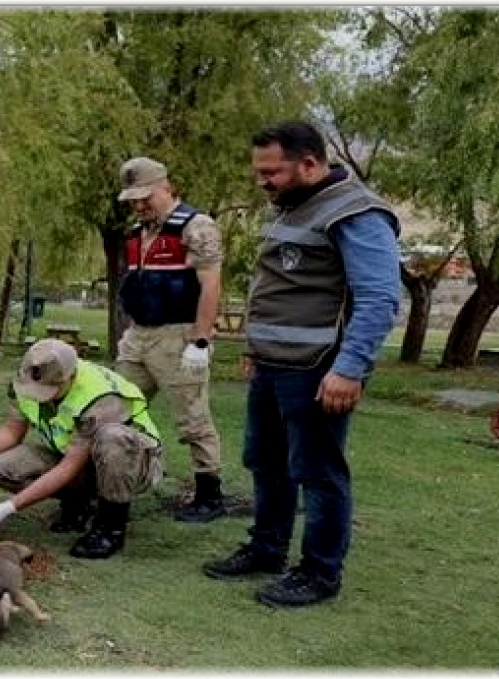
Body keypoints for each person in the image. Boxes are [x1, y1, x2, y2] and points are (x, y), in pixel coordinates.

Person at [202, 121, 401, 608]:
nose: (262, 181)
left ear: (310, 163)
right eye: (258, 172)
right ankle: (267, 549)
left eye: (272, 171)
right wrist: (255, 346)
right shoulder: (292, 207)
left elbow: (379, 298)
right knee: (266, 462)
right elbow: (278, 288)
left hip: (318, 369)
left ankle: (319, 573)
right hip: (274, 365)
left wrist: (350, 367)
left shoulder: (356, 213)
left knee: (318, 473)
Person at [0, 339, 163, 559]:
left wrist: (9, 507)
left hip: (135, 464)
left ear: (70, 376)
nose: (39, 395)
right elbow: (12, 430)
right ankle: (81, 504)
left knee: (112, 438)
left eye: (48, 389)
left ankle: (110, 527)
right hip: (78, 458)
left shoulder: (100, 396)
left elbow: (70, 466)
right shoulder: (25, 378)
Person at [114, 156, 226, 525]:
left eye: (146, 196)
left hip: (178, 334)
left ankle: (209, 493)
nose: (140, 204)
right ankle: (114, 484)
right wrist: (131, 331)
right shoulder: (137, 233)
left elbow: (211, 285)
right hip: (139, 335)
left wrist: (200, 341)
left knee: (192, 417)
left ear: (166, 186)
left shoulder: (196, 227)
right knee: (115, 410)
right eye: (133, 198)